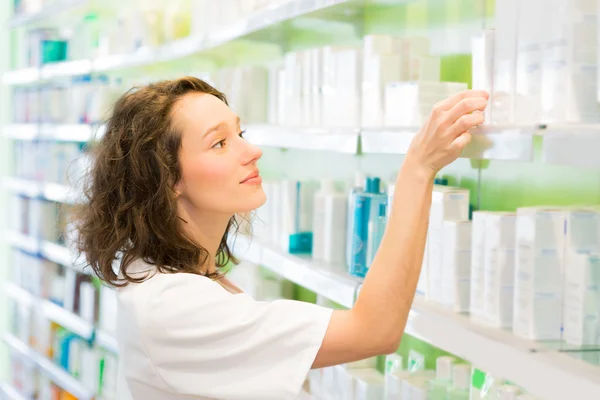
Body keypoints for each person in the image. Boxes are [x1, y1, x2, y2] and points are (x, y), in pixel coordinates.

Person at [74, 76, 488, 400]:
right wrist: (418, 169)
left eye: (240, 133)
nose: (250, 151)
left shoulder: (179, 273)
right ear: (167, 179)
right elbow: (375, 331)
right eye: (219, 143)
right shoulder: (173, 306)